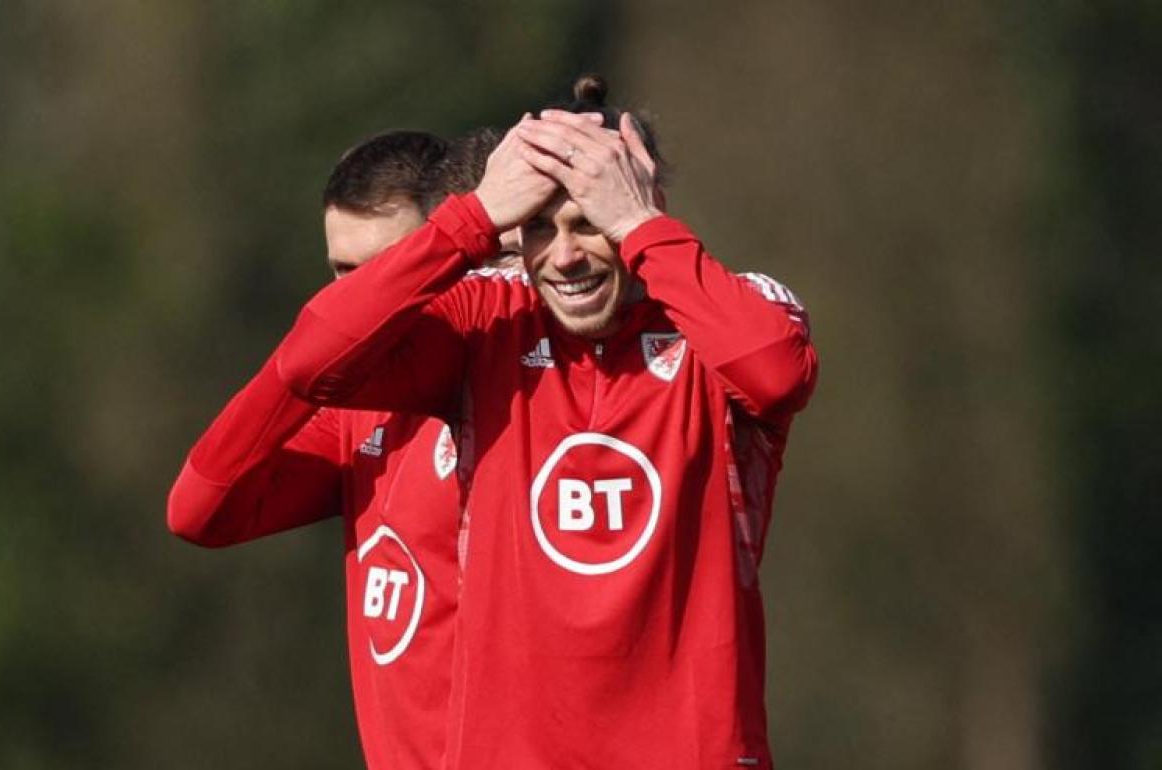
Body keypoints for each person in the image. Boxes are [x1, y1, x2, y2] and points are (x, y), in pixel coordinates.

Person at [272, 76, 818, 770]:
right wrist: (470, 222)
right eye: (537, 227)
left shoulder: (728, 317)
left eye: (590, 221)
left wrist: (644, 229)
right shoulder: (489, 327)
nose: (562, 256)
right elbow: (314, 361)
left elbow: (778, 374)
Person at [168, 128, 499, 770]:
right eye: (342, 274)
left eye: (387, 272)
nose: (359, 301)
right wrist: (301, 368)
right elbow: (200, 509)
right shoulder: (358, 415)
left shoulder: (507, 382)